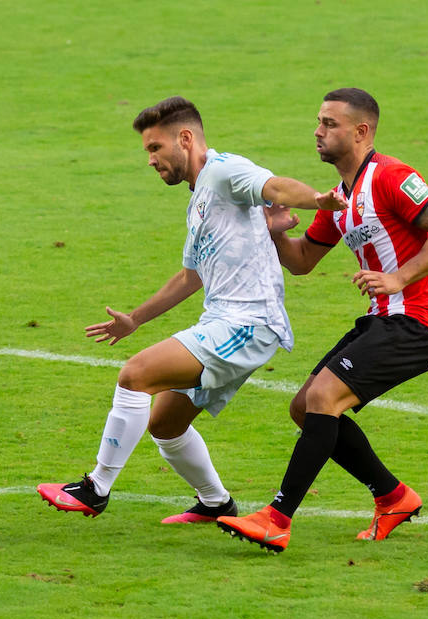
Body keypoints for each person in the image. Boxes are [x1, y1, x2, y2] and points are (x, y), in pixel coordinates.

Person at [38, 96, 345, 523]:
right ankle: (216, 503)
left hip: (248, 323)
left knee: (135, 375)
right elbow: (190, 277)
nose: (150, 160)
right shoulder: (200, 196)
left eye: (154, 148)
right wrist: (134, 320)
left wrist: (318, 200)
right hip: (223, 320)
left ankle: (96, 489)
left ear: (185, 139)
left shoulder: (223, 171)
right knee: (165, 424)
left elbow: (273, 187)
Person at [218, 88, 428, 552]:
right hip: (381, 320)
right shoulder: (340, 199)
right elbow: (303, 261)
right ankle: (394, 497)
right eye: (318, 121)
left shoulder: (393, 176)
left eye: (329, 124)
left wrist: (399, 277)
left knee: (325, 396)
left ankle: (276, 518)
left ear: (361, 131)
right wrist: (274, 233)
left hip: (418, 323)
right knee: (304, 407)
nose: (317, 131)